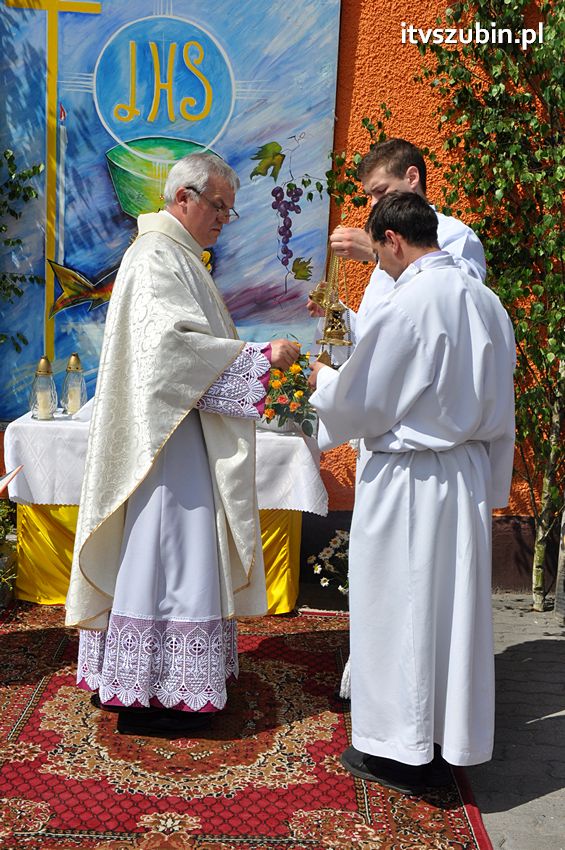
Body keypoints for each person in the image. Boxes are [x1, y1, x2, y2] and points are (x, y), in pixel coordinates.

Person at [65, 153, 299, 738]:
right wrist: (260, 357)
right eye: (219, 205)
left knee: (175, 554)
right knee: (168, 552)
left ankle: (165, 679)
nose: (226, 218)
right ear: (184, 198)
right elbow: (170, 353)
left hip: (178, 431)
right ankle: (153, 688)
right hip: (164, 444)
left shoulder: (175, 255)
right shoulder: (154, 257)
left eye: (229, 207)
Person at [308, 191, 516, 794]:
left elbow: (363, 401)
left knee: (402, 610)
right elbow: (498, 409)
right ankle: (445, 739)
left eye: (378, 254)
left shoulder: (412, 301)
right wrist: (492, 484)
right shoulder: (486, 301)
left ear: (393, 240)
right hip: (465, 479)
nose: (379, 266)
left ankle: (401, 752)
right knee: (451, 614)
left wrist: (319, 379)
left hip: (411, 482)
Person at [307, 138, 486, 345]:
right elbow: (373, 336)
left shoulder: (456, 235)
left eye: (381, 191)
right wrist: (333, 313)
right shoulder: (387, 246)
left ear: (412, 177)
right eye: (370, 196)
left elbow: (455, 304)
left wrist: (375, 251)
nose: (373, 203)